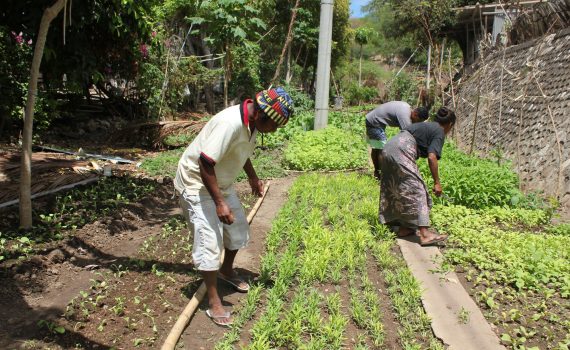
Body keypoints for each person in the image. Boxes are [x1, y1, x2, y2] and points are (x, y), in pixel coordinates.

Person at [174, 87, 294, 326]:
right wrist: (219, 203)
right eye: (275, 126)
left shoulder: (252, 121)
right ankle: (213, 300)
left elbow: (242, 152)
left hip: (220, 181)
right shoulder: (230, 124)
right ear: (262, 116)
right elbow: (205, 162)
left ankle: (226, 270)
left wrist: (252, 177)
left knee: (238, 229)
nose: (274, 131)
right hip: (197, 183)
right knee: (210, 241)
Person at [378, 106, 456, 246]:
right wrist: (437, 182)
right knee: (418, 189)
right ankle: (425, 235)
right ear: (450, 125)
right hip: (401, 150)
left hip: (388, 148)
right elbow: (432, 157)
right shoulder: (439, 131)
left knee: (398, 187)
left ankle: (405, 227)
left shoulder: (428, 126)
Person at [365, 101, 429, 180]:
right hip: (374, 122)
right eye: (418, 120)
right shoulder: (405, 116)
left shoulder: (407, 108)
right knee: (381, 150)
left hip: (374, 119)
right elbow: (408, 135)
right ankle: (380, 174)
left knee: (377, 148)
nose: (416, 123)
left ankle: (378, 172)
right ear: (415, 114)